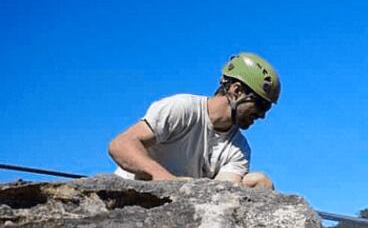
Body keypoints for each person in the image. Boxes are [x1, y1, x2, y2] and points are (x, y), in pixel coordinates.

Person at [108, 52, 281, 189]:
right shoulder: (182, 109)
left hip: (181, 208)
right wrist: (164, 178)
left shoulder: (239, 149)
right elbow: (121, 145)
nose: (262, 115)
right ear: (236, 91)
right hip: (134, 197)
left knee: (261, 181)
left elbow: (224, 192)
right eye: (261, 104)